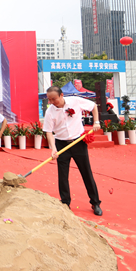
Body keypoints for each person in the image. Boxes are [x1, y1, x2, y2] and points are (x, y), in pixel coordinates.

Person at [43, 86, 103, 216]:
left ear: (61, 95)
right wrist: (53, 149)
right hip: (61, 144)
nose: (52, 102)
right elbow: (48, 132)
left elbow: (93, 106)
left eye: (54, 99)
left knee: (86, 172)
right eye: (49, 99)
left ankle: (95, 202)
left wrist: (96, 122)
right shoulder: (50, 112)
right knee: (63, 175)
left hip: (78, 142)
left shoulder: (75, 101)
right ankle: (65, 203)